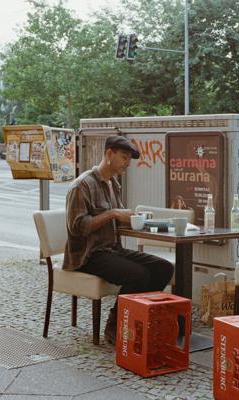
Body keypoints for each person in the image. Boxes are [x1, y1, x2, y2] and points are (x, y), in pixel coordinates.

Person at [63, 135, 174, 345]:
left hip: (113, 250)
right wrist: (112, 214)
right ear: (109, 154)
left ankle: (138, 319)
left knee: (164, 268)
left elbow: (118, 219)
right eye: (124, 157)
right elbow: (77, 227)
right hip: (88, 255)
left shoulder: (113, 184)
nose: (127, 163)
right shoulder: (82, 185)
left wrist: (136, 219)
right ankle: (115, 325)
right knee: (138, 275)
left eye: (129, 159)